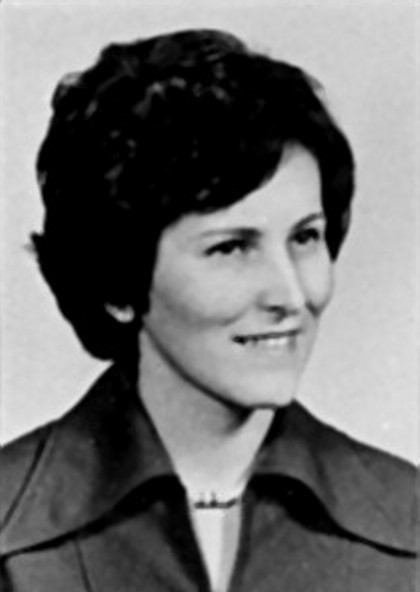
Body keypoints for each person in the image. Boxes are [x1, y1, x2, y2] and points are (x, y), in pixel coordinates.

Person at [0, 28, 417, 592]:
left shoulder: (409, 523)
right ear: (117, 284)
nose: (292, 295)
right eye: (232, 248)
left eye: (305, 238)